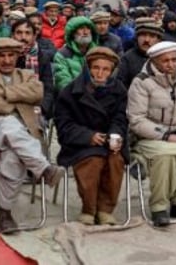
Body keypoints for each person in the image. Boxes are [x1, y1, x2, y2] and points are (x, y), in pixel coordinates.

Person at [0, 38, 62, 233]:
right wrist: (15, 105)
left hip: (21, 137)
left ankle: (5, 212)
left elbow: (37, 93)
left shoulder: (27, 74)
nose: (6, 60)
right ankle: (44, 169)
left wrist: (0, 94)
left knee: (13, 156)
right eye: (1, 56)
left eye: (11, 55)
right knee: (9, 122)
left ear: (17, 56)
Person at [127, 41, 176, 227]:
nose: (171, 64)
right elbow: (137, 120)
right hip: (149, 136)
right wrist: (165, 135)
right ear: (154, 61)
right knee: (164, 155)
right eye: (165, 61)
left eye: (174, 59)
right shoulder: (141, 82)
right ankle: (159, 207)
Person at [55, 47, 128, 226]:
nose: (100, 73)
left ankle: (105, 209)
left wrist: (115, 136)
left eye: (106, 69)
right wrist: (88, 136)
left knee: (115, 161)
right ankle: (89, 208)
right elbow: (64, 126)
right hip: (80, 144)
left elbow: (121, 118)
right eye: (96, 68)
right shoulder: (70, 91)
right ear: (88, 68)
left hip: (108, 140)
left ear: (112, 72)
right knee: (93, 161)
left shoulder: (119, 90)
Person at [53, 16, 98, 91]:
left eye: (88, 28)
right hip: (73, 98)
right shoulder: (62, 55)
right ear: (72, 33)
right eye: (81, 28)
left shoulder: (98, 52)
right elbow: (63, 84)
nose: (85, 32)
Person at [115, 18, 163, 87]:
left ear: (158, 40)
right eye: (143, 35)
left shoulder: (165, 58)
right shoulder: (127, 58)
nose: (146, 40)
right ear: (137, 37)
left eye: (152, 36)